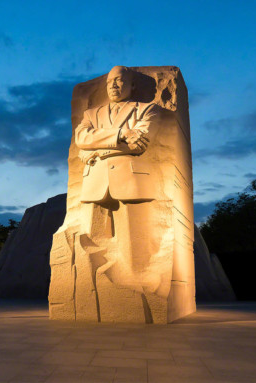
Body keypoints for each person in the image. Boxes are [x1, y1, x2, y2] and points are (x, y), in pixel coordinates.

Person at [75, 65, 164, 286]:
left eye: (119, 80)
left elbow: (140, 144)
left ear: (132, 85)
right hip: (95, 182)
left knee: (133, 243)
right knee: (92, 239)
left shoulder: (147, 109)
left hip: (130, 180)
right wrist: (122, 133)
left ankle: (135, 282)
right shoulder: (91, 114)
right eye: (109, 81)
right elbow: (81, 138)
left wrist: (96, 150)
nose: (113, 85)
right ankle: (94, 284)